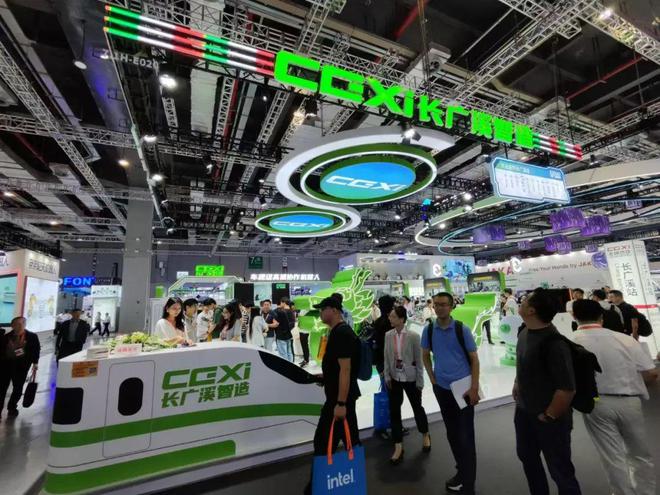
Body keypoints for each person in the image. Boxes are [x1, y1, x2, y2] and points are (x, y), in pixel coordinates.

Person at [572, 299, 658, 495]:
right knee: (639, 453)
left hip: (597, 403)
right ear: (601, 316)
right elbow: (651, 373)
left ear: (574, 316)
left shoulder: (571, 341)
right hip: (630, 400)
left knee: (612, 456)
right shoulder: (624, 339)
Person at [513, 288, 581, 495]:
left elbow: (567, 389)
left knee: (560, 469)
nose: (521, 301)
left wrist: (549, 415)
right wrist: (517, 382)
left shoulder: (554, 343)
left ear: (531, 310)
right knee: (528, 458)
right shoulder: (524, 332)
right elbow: (523, 363)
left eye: (525, 300)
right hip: (524, 412)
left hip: (549, 419)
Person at [422, 292, 480, 495]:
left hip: (463, 389)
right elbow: (425, 355)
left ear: (451, 306)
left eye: (443, 304)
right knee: (452, 434)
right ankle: (462, 472)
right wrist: (432, 379)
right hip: (443, 389)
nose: (439, 308)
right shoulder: (429, 330)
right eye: (436, 304)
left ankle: (468, 483)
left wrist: (474, 387)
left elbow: (474, 359)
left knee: (466, 436)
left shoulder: (461, 329)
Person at [304, 296, 361, 495]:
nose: (320, 313)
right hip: (340, 398)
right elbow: (339, 369)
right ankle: (349, 481)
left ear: (334, 310)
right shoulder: (337, 331)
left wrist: (341, 403)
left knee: (322, 442)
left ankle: (318, 486)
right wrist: (327, 376)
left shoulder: (342, 333)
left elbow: (346, 370)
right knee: (350, 440)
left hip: (339, 401)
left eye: (323, 309)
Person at [384, 305, 430, 464]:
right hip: (394, 378)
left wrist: (420, 380)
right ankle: (398, 446)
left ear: (402, 319)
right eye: (390, 316)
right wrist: (387, 376)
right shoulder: (388, 335)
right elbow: (386, 357)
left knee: (417, 408)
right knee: (394, 412)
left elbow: (419, 361)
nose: (390, 318)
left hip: (411, 378)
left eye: (393, 316)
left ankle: (425, 434)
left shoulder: (413, 336)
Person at [0, 317, 40, 418]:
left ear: (25, 324)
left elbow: (35, 350)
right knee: (2, 388)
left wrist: (35, 363)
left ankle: (12, 407)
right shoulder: (6, 337)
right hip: (6, 367)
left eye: (21, 324)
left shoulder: (32, 337)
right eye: (16, 324)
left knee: (18, 388)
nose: (19, 326)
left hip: (22, 367)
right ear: (12, 325)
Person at [372, 294, 397, 440]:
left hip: (382, 364)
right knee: (390, 396)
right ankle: (387, 426)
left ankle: (390, 425)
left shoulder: (377, 322)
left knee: (389, 395)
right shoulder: (388, 323)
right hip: (388, 365)